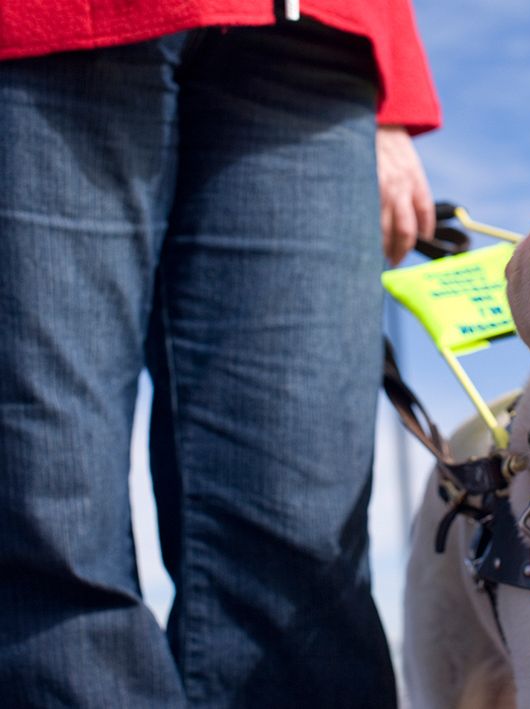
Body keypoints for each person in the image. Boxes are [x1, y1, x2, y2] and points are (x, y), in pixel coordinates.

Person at [0, 2, 440, 706]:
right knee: (45, 511)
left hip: (310, 37)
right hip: (34, 25)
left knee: (304, 539)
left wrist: (391, 93)